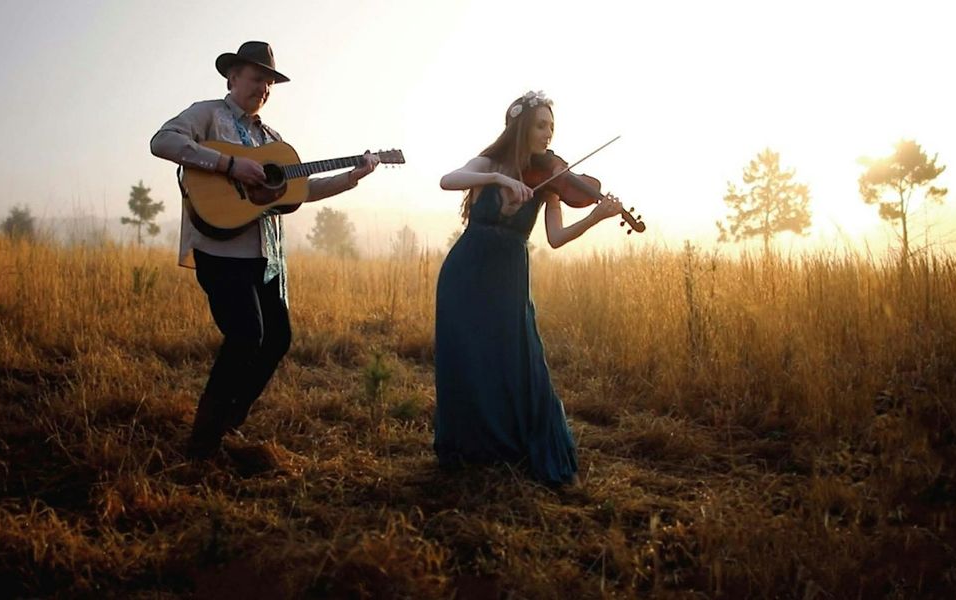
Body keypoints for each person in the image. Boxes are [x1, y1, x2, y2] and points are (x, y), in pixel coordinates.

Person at [150, 41, 379, 460]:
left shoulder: (272, 140)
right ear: (232, 77)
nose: (264, 88)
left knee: (276, 339)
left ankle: (227, 422)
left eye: (269, 82)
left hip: (264, 256)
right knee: (244, 336)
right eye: (257, 78)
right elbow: (162, 141)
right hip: (221, 250)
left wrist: (353, 176)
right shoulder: (207, 115)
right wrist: (229, 165)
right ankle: (203, 443)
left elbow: (301, 189)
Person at [434, 90, 623, 486]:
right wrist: (497, 177)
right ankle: (471, 448)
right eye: (541, 125)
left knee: (518, 357)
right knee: (468, 358)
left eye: (552, 127)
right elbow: (448, 179)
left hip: (507, 277)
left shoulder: (550, 177)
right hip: (467, 271)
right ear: (520, 125)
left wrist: (598, 217)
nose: (548, 134)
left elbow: (556, 237)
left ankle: (513, 447)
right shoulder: (491, 163)